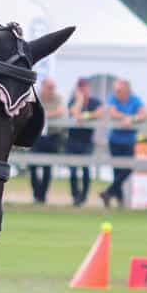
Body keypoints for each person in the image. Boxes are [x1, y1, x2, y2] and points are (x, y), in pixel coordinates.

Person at [99, 78, 145, 208]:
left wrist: (133, 118)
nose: (116, 92)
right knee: (117, 171)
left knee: (128, 168)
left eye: (119, 90)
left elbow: (144, 114)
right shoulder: (113, 98)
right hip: (115, 140)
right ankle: (120, 200)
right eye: (116, 90)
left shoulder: (135, 100)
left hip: (129, 140)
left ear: (126, 90)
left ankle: (108, 193)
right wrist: (126, 117)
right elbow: (112, 112)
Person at [26, 77, 65, 204]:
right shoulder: (35, 97)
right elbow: (29, 111)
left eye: (53, 88)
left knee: (48, 167)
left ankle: (42, 195)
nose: (52, 90)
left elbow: (61, 111)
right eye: (49, 87)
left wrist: (43, 114)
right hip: (36, 136)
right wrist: (47, 113)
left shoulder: (58, 98)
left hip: (52, 136)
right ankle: (36, 193)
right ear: (43, 87)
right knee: (32, 166)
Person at [65, 77, 100, 206]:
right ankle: (75, 196)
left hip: (87, 141)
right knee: (73, 170)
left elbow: (99, 112)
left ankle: (84, 197)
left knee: (86, 169)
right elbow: (73, 112)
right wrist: (79, 100)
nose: (83, 89)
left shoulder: (95, 101)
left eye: (85, 87)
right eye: (81, 87)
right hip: (73, 140)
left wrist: (85, 116)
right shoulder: (73, 101)